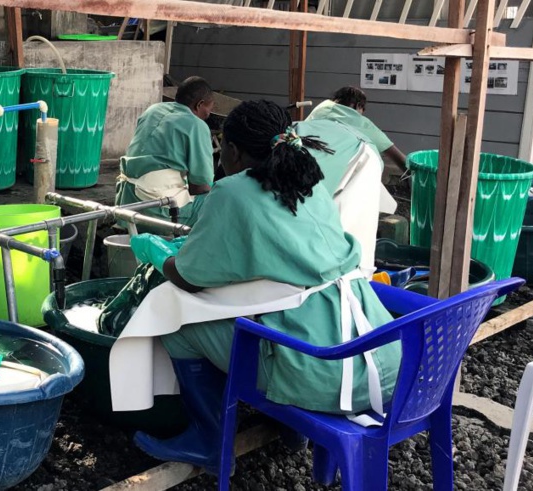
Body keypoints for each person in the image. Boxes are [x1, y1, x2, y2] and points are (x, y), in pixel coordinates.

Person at [129, 100, 401, 475]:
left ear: (234, 150)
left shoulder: (231, 192)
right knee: (272, 320)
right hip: (380, 356)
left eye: (221, 145)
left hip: (322, 374)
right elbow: (277, 253)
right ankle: (291, 431)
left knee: (179, 325)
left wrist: (159, 254)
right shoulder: (307, 178)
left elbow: (188, 278)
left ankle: (208, 439)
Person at [115, 76, 215, 230]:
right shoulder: (196, 125)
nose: (207, 116)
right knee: (214, 200)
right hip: (156, 211)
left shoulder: (153, 110)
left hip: (126, 202)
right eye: (208, 111)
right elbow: (200, 186)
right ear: (199, 104)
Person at [307, 86, 407, 174]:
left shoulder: (320, 109)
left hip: (305, 162)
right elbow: (396, 155)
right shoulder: (359, 121)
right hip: (335, 171)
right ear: (358, 105)